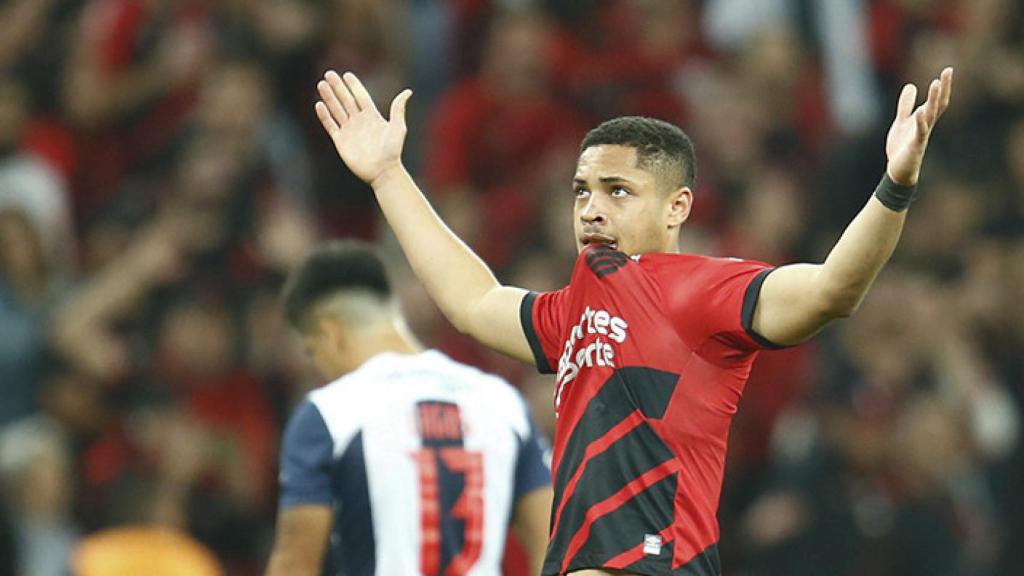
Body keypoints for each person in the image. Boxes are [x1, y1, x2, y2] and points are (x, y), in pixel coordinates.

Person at [312, 66, 953, 576]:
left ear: (677, 207)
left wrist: (894, 184)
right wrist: (389, 176)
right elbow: (475, 302)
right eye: (582, 190)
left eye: (618, 191)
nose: (592, 208)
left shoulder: (701, 290)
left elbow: (832, 290)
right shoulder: (574, 311)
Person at [266, 241, 553, 576]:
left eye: (312, 352)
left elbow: (295, 564)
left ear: (330, 334)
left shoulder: (329, 415)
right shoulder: (502, 404)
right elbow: (552, 542)